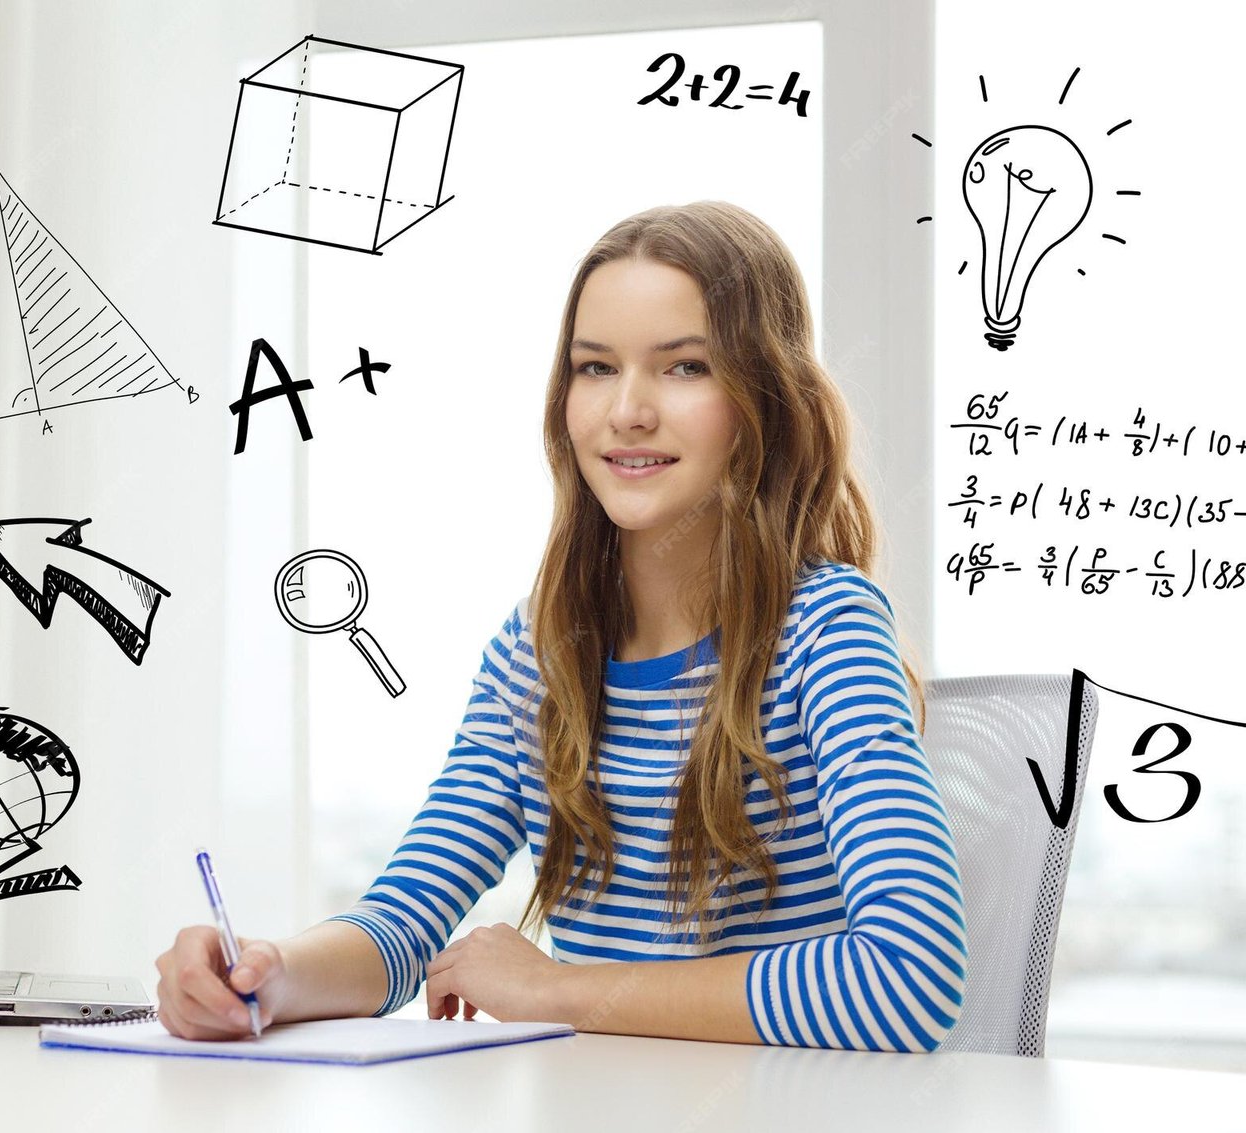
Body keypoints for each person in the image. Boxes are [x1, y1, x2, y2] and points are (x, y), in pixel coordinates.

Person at [156, 201, 967, 1052]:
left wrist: (553, 988)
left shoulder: (824, 630)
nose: (628, 410)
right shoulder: (537, 657)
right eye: (595, 367)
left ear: (763, 396)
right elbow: (400, 923)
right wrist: (269, 973)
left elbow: (909, 978)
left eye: (685, 367)